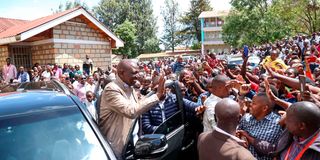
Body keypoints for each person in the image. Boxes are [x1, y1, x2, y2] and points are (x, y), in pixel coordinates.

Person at [99, 59, 166, 159]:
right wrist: (156, 96)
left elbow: (138, 104)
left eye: (138, 73)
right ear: (121, 72)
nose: (138, 76)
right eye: (134, 73)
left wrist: (155, 94)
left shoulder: (129, 87)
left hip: (133, 143)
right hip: (116, 147)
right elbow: (131, 111)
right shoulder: (112, 89)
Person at [237, 93, 283, 160]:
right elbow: (238, 135)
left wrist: (248, 137)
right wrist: (241, 137)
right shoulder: (246, 118)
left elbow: (271, 150)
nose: (250, 105)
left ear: (264, 108)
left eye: (254, 103)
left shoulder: (277, 124)